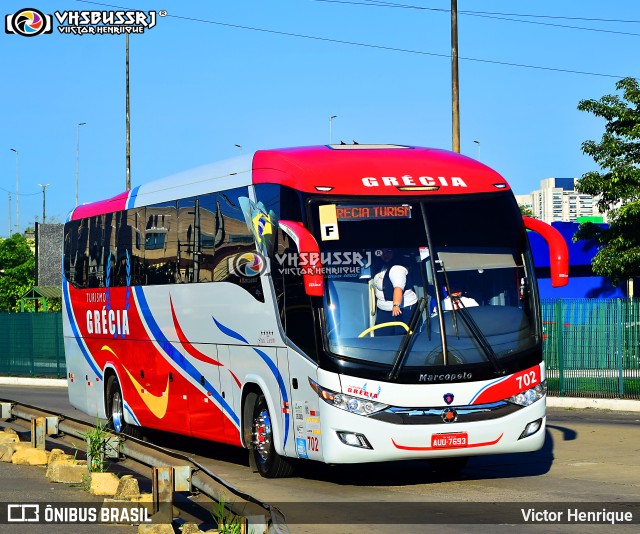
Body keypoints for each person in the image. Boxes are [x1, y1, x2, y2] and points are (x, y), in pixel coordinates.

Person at [373, 249, 418, 335]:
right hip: (384, 310)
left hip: (400, 310)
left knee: (400, 338)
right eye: (383, 252)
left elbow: (398, 288)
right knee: (381, 337)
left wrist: (396, 305)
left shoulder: (397, 268)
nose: (385, 255)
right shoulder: (383, 267)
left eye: (389, 252)